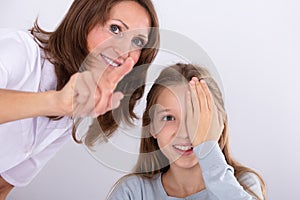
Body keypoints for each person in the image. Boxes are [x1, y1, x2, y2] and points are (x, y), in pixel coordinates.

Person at [0, 0, 159, 199]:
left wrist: (62, 105)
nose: (123, 50)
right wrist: (54, 102)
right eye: (115, 28)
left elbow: (3, 185)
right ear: (84, 20)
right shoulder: (20, 51)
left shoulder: (71, 110)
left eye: (137, 42)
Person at [107, 63, 267, 200]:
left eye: (195, 117)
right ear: (152, 128)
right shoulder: (133, 192)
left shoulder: (242, 184)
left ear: (218, 125)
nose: (184, 132)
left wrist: (207, 148)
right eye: (169, 118)